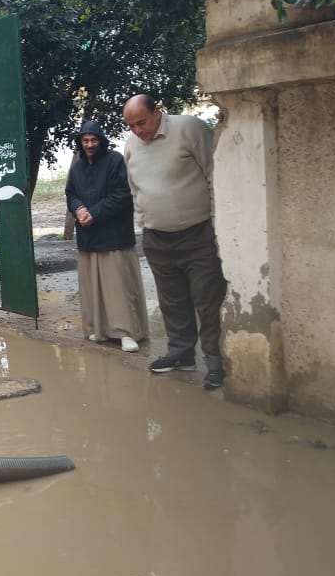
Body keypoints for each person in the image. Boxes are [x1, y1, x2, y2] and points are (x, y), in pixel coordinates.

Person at [122, 94, 227, 389]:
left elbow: (214, 176)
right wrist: (144, 224)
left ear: (157, 111)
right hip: (157, 238)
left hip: (198, 234)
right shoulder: (131, 144)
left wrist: (218, 229)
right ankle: (181, 354)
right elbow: (134, 189)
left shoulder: (190, 129)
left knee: (207, 301)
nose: (138, 131)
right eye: (131, 126)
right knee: (172, 301)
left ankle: (215, 362)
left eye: (141, 122)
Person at [65, 120, 148, 352]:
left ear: (101, 141)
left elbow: (123, 194)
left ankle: (126, 333)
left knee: (117, 286)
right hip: (88, 236)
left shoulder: (115, 161)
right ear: (80, 143)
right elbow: (70, 193)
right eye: (85, 140)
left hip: (114, 235)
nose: (90, 144)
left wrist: (95, 213)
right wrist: (79, 208)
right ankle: (98, 329)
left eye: (94, 140)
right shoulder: (77, 167)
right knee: (92, 285)